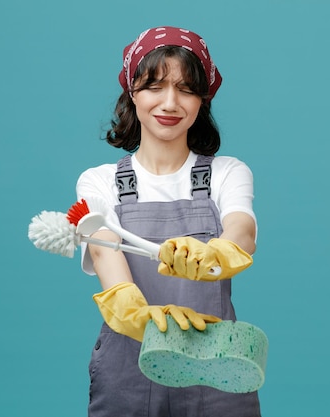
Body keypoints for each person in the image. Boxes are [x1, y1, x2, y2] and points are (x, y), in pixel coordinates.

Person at [75, 26, 261, 417]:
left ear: (202, 99)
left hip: (217, 372)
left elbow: (242, 232)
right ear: (133, 92)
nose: (170, 103)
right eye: (155, 86)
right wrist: (137, 316)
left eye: (186, 89)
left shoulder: (227, 173)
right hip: (127, 370)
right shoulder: (99, 182)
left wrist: (216, 253)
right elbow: (107, 256)